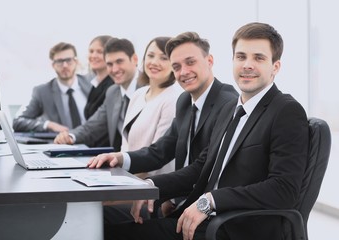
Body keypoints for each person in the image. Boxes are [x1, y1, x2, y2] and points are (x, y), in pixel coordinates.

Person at [101, 22, 309, 240]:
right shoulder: (231, 108)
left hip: (234, 228)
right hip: (201, 220)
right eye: (240, 57)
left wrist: (211, 200)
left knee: (108, 233)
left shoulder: (285, 110)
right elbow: (201, 167)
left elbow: (284, 188)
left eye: (258, 58)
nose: (247, 65)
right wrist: (151, 187)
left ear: (275, 67)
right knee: (100, 223)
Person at [88, 32, 238, 222]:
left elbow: (202, 168)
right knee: (94, 216)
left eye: (190, 62)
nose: (183, 72)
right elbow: (161, 150)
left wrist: (151, 186)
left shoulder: (227, 102)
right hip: (176, 204)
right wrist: (119, 158)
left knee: (100, 222)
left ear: (209, 61)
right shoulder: (185, 101)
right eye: (177, 66)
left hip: (204, 215)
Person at [54, 38, 146, 150]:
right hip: (121, 162)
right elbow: (93, 126)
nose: (114, 69)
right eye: (109, 64)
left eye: (119, 62)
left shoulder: (149, 87)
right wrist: (70, 136)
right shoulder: (113, 92)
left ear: (134, 59)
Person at [121, 36, 183, 178]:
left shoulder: (173, 98)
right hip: (128, 178)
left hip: (153, 185)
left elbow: (158, 155)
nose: (155, 62)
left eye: (163, 58)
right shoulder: (138, 94)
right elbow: (125, 145)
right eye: (150, 56)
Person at [12, 42, 92, 132]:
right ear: (53, 65)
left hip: (93, 143)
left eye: (69, 60)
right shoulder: (42, 92)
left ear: (76, 62)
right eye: (59, 62)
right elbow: (18, 121)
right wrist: (48, 125)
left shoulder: (91, 84)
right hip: (62, 144)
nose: (65, 65)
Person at [84, 35, 114, 120]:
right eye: (91, 51)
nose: (93, 56)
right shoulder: (95, 84)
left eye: (100, 52)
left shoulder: (113, 85)